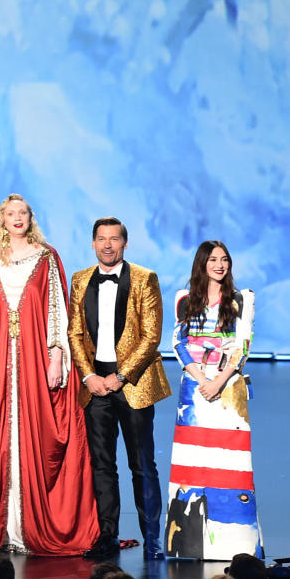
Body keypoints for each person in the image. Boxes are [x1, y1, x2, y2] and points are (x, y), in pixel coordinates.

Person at [0, 194, 97, 555]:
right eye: (11, 213)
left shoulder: (46, 257)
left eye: (23, 213)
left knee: (36, 433)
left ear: (30, 218)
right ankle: (6, 529)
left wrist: (57, 356)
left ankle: (34, 525)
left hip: (36, 358)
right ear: (2, 219)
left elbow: (57, 308)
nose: (17, 218)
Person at [67, 217, 172, 560]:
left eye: (114, 239)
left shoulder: (144, 278)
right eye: (101, 239)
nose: (108, 245)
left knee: (142, 464)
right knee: (102, 464)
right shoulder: (80, 280)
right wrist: (89, 376)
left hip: (133, 384)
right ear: (93, 243)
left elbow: (151, 336)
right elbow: (75, 333)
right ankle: (108, 536)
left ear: (125, 243)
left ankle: (153, 538)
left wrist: (121, 376)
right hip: (96, 385)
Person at [165, 240, 260, 560]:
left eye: (224, 260)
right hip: (194, 392)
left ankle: (235, 543)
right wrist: (202, 380)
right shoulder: (184, 299)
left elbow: (242, 345)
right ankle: (187, 544)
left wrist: (219, 380)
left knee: (229, 466)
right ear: (202, 263)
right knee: (194, 468)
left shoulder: (240, 300)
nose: (219, 265)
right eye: (213, 259)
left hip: (229, 391)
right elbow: (178, 343)